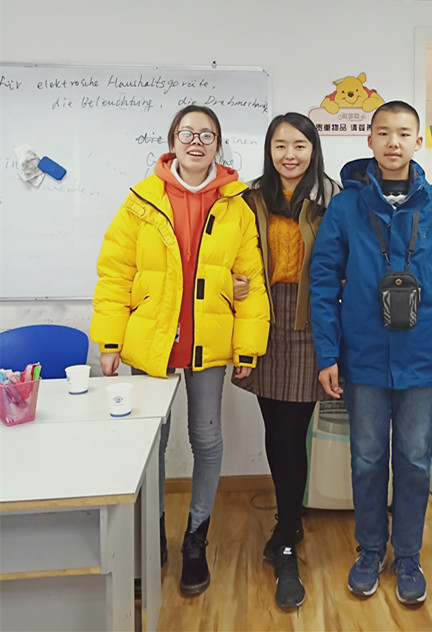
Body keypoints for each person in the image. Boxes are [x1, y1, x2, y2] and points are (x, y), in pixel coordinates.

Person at [90, 105, 270, 597]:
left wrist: (247, 348)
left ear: (218, 145)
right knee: (151, 443)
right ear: (172, 141)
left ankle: (195, 538)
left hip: (208, 343)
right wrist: (109, 341)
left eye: (207, 135)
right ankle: (152, 536)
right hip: (152, 343)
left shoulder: (236, 204)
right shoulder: (141, 201)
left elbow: (251, 281)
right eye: (187, 133)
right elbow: (115, 274)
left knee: (206, 439)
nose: (196, 142)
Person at [309, 101, 432, 605]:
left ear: (418, 141)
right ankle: (369, 550)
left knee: (416, 460)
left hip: (423, 358)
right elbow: (322, 282)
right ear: (370, 141)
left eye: (404, 133)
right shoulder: (346, 208)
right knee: (366, 459)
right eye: (383, 133)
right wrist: (327, 353)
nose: (394, 142)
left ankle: (407, 555)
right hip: (362, 357)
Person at [232, 112, 340, 609]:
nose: (290, 155)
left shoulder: (333, 198)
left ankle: (288, 534)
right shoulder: (250, 198)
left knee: (290, 433)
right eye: (280, 145)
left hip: (310, 322)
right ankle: (289, 521)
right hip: (262, 319)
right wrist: (233, 283)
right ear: (269, 150)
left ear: (313, 149)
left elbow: (347, 259)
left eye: (300, 145)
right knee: (273, 427)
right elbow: (229, 255)